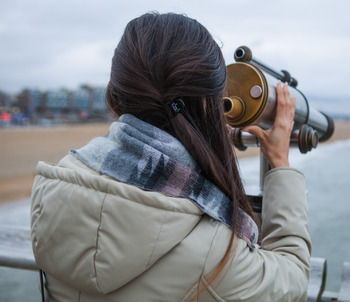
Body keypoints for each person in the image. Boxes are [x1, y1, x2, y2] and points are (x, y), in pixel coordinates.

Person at [30, 12, 311, 302]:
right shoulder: (215, 256)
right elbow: (293, 277)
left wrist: (197, 133)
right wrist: (279, 163)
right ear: (210, 105)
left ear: (116, 92)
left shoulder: (53, 190)